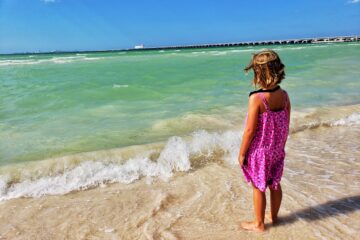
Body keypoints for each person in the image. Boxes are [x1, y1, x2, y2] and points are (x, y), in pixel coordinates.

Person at [238, 49, 291, 232]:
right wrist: (281, 146)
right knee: (274, 183)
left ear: (259, 74)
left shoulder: (257, 98)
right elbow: (286, 123)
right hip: (277, 149)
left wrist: (242, 152)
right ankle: (274, 217)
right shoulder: (284, 96)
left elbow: (250, 130)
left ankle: (259, 223)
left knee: (258, 187)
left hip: (260, 151)